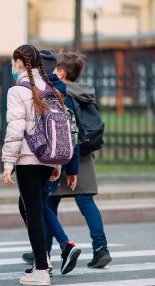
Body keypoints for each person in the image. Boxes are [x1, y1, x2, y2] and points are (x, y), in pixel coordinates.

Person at [1, 44, 63, 286]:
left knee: (33, 214)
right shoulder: (49, 89)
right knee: (34, 211)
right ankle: (43, 262)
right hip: (48, 159)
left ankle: (41, 270)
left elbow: (15, 129)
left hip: (27, 159)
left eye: (13, 61)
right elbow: (59, 128)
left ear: (19, 62)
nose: (12, 66)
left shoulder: (17, 91)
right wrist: (57, 163)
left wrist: (8, 164)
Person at [47, 52, 112, 269]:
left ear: (62, 72)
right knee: (86, 201)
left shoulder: (60, 92)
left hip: (64, 153)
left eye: (55, 69)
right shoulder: (85, 91)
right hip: (84, 154)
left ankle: (43, 251)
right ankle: (101, 249)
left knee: (48, 203)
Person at [21, 49, 82, 276]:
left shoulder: (36, 91)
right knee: (37, 206)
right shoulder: (60, 93)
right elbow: (72, 133)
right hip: (57, 161)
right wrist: (70, 167)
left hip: (36, 160)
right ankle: (45, 255)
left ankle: (62, 248)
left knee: (36, 206)